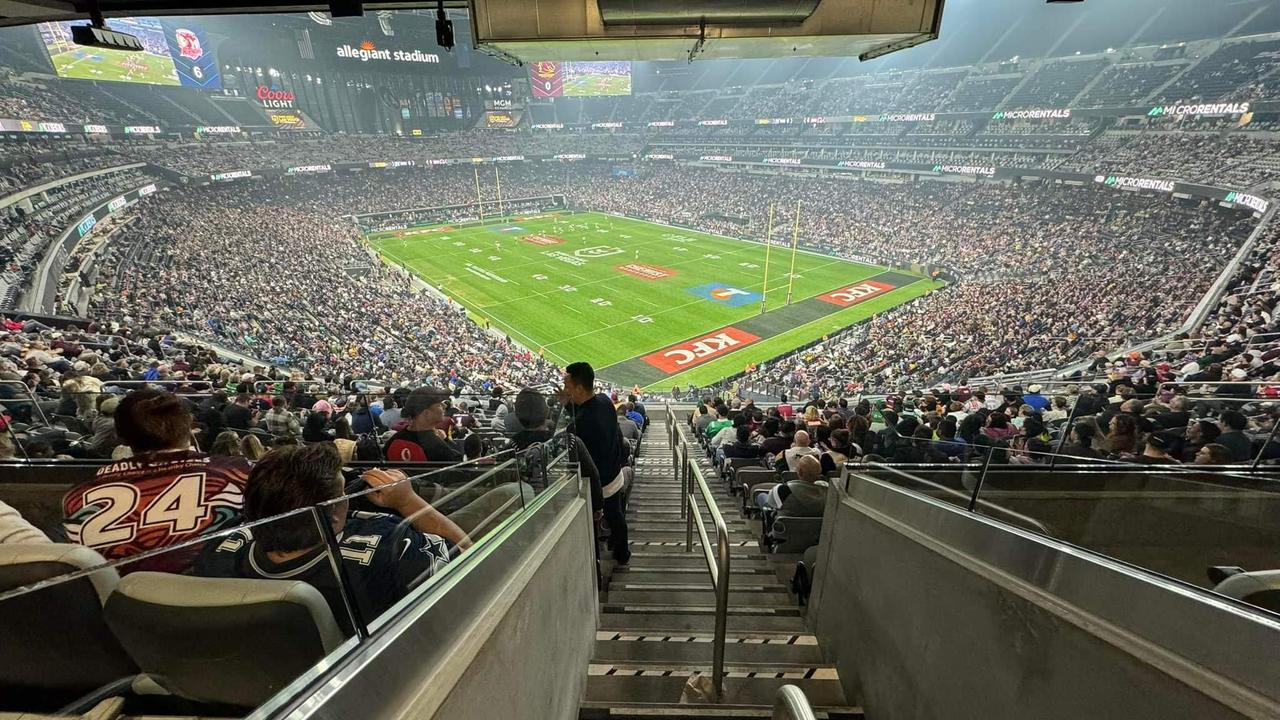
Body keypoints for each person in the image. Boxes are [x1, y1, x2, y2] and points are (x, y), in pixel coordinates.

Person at [196, 443, 463, 633]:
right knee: (506, 491)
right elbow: (470, 557)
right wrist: (407, 500)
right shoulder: (389, 545)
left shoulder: (219, 550)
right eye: (344, 492)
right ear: (332, 517)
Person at [63, 388, 251, 573]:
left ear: (120, 437)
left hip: (120, 598)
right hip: (219, 591)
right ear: (190, 426)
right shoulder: (237, 472)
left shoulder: (77, 496)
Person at [562, 361, 630, 564]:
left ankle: (606, 562)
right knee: (617, 516)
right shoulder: (604, 401)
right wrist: (567, 403)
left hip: (600, 484)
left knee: (606, 521)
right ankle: (622, 554)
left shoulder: (579, 424)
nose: (565, 390)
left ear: (579, 388)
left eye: (567, 386)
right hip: (614, 472)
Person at [384, 387, 464, 462]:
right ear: (426, 414)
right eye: (439, 405)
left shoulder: (394, 440)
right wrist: (446, 441)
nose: (445, 406)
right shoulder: (437, 447)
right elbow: (457, 467)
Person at [758, 455, 826, 517]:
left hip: (786, 529)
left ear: (799, 471)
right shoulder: (828, 491)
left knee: (761, 496)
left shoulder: (783, 490)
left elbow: (771, 503)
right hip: (816, 529)